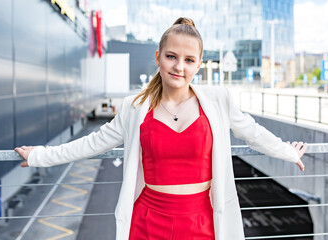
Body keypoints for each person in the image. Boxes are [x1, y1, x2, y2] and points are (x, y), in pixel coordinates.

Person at [15, 17, 307, 240]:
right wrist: (40, 156)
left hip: (202, 221)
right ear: (158, 57)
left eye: (189, 60)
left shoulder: (218, 101)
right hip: (147, 220)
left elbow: (252, 132)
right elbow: (91, 143)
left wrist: (287, 152)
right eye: (171, 57)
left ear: (199, 65)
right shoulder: (134, 107)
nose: (179, 66)